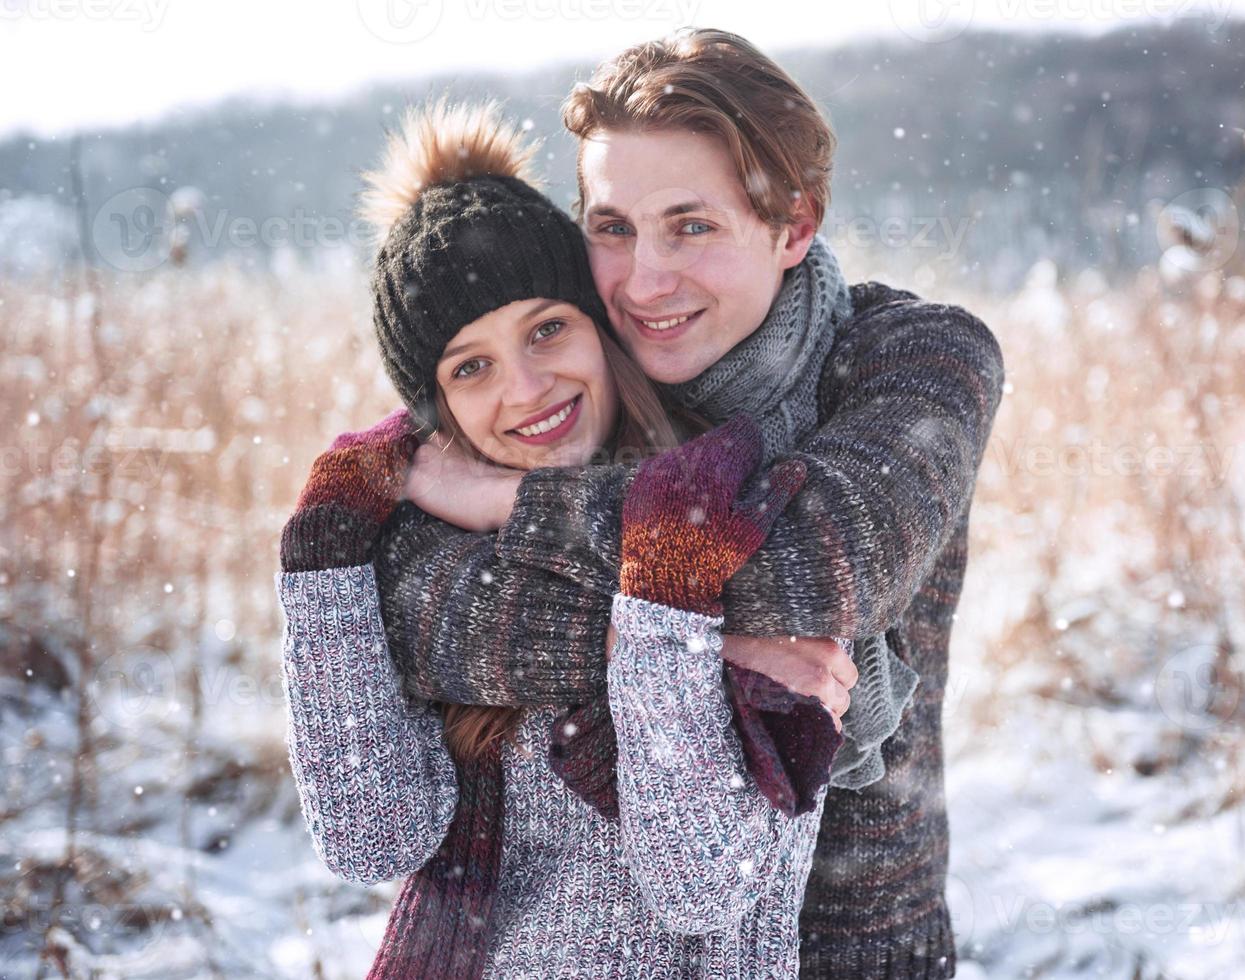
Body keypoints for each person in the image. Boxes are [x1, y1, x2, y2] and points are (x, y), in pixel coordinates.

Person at [366, 29, 1007, 978]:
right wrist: (721, 652)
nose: (644, 279)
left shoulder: (914, 359)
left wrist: (514, 504)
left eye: (692, 225)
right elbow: (420, 611)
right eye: (612, 227)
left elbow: (823, 567)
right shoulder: (566, 384)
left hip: (848, 945)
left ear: (794, 224)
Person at [276, 100, 852, 977]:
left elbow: (701, 884)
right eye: (470, 367)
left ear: (601, 325)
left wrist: (659, 600)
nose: (527, 387)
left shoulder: (731, 509)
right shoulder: (431, 562)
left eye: (548, 328)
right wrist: (322, 555)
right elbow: (370, 836)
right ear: (435, 413)